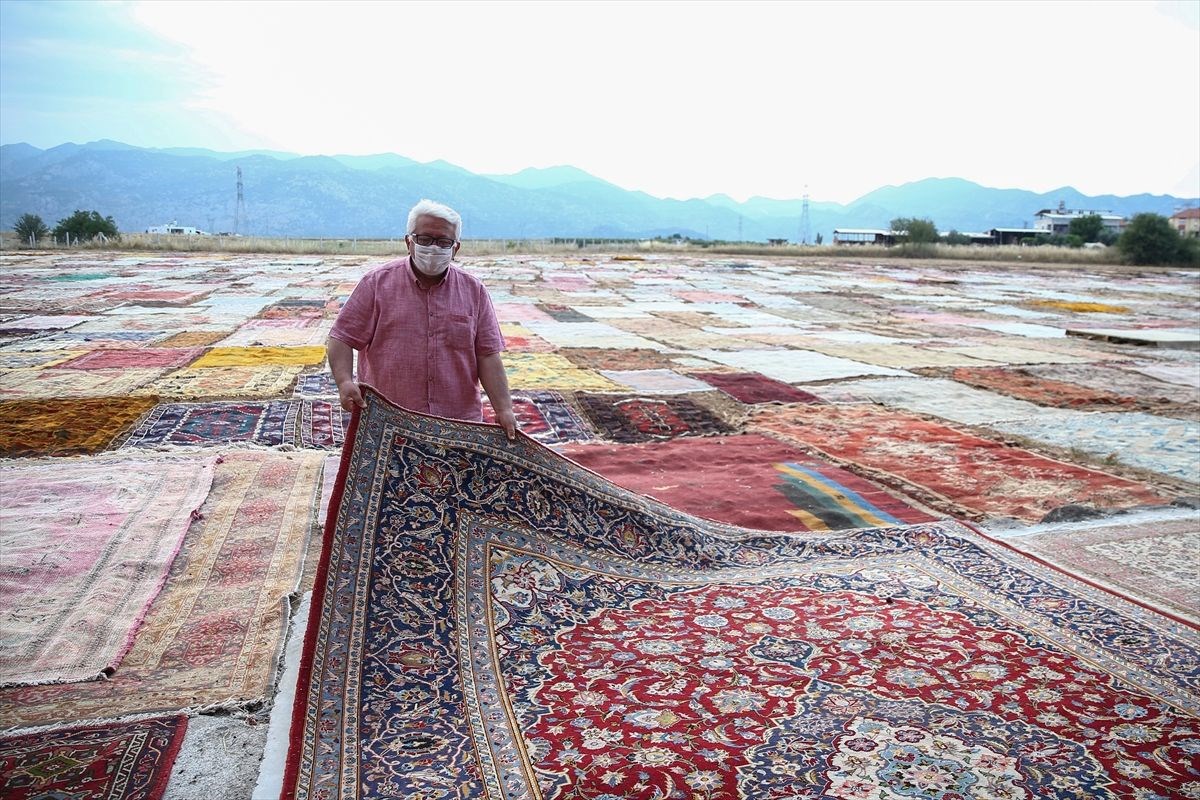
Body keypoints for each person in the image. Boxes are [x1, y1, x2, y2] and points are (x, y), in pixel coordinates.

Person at [327, 199, 517, 439]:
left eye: (443, 242)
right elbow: (341, 338)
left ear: (455, 248)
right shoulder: (376, 284)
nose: (433, 248)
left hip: (457, 424)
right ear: (409, 242)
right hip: (389, 422)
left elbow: (488, 356)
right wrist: (344, 382)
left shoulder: (474, 291)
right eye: (425, 240)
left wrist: (504, 408)